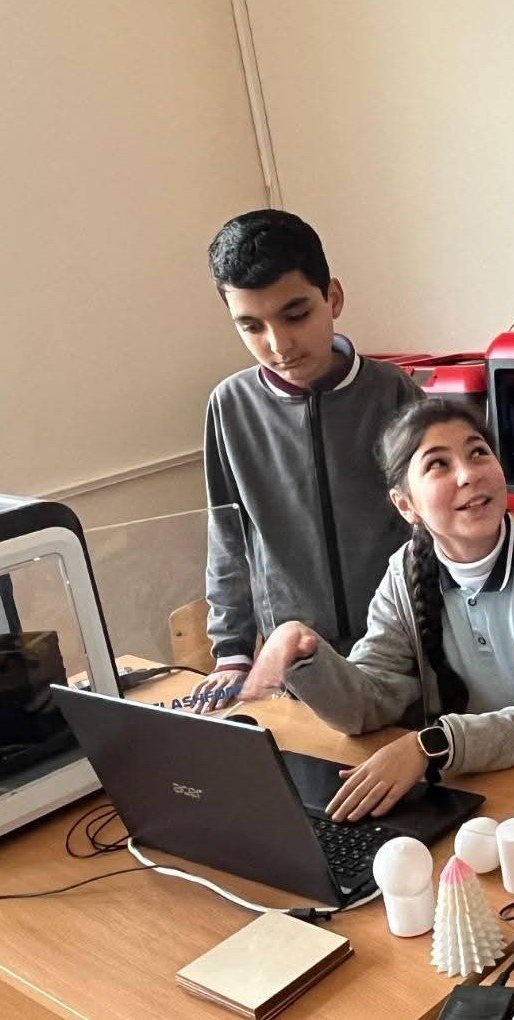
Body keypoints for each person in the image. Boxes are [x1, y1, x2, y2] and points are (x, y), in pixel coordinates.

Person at [241, 400, 514, 821]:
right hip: (469, 789)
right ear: (405, 505)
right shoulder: (405, 571)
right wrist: (303, 652)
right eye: (438, 464)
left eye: (478, 453)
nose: (468, 475)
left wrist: (430, 745)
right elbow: (371, 701)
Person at [191, 210, 421, 713]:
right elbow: (228, 536)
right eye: (251, 326)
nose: (279, 345)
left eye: (295, 315)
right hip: (294, 665)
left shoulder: (393, 393)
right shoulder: (229, 406)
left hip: (402, 655)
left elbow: (432, 530)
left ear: (332, 298)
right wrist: (231, 652)